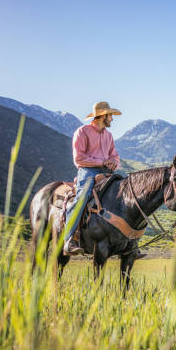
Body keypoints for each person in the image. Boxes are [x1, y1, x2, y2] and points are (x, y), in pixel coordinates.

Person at [63, 101, 121, 255]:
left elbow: (115, 156)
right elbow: (79, 158)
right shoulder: (82, 132)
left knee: (125, 193)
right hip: (87, 171)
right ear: (103, 116)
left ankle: (129, 243)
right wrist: (102, 161)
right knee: (82, 198)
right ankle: (69, 240)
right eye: (110, 116)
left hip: (106, 171)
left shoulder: (108, 136)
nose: (112, 119)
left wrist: (113, 163)